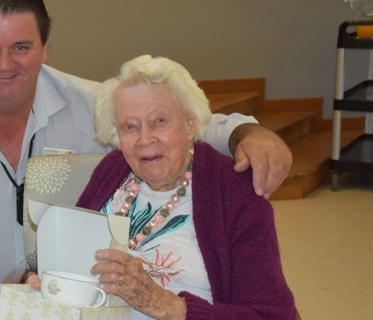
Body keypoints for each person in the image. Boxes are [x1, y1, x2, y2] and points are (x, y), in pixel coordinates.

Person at [0, 0, 291, 318]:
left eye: (21, 47)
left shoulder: (89, 105)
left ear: (45, 49)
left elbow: (186, 122)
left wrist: (245, 133)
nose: (4, 63)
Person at [30, 54, 296, 319]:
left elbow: (271, 316)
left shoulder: (235, 192)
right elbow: (72, 257)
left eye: (159, 121)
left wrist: (165, 305)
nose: (145, 139)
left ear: (189, 124)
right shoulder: (112, 169)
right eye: (130, 126)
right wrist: (47, 282)